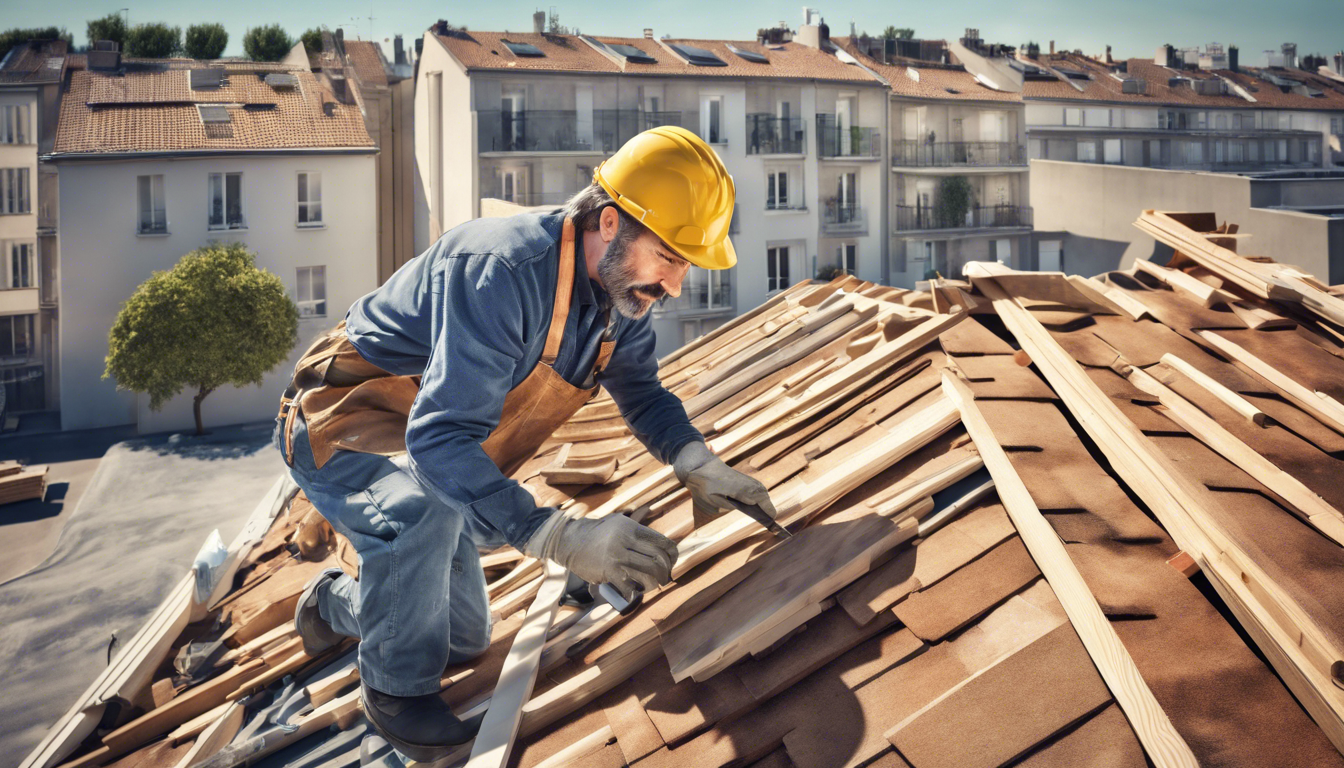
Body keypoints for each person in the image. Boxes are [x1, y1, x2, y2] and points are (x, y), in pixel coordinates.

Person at [272, 126, 777, 760]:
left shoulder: (619, 303)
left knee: (463, 639)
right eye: (670, 258)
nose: (676, 285)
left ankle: (331, 603)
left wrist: (695, 460)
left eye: (686, 266)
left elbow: (644, 395)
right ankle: (391, 691)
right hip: (338, 423)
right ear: (612, 222)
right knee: (418, 520)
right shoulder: (501, 271)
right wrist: (561, 539)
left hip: (428, 447)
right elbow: (439, 439)